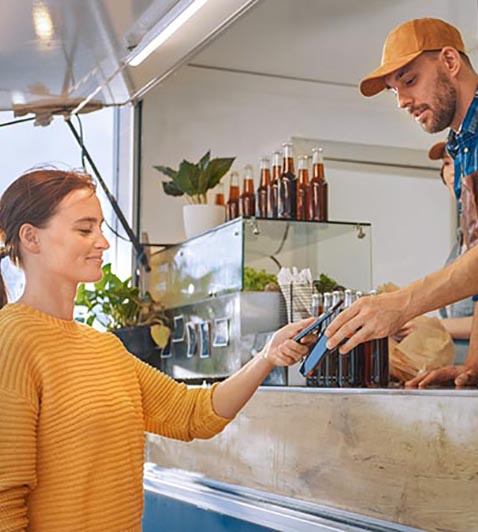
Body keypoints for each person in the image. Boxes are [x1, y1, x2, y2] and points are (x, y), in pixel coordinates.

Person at [0, 169, 315, 531]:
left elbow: (193, 414)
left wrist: (267, 356)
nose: (102, 242)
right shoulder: (12, 342)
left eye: (101, 228)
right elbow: (4, 503)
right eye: (85, 229)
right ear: (31, 238)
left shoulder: (105, 348)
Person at [326, 18, 478, 387]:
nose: (403, 101)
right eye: (395, 91)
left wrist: (403, 303)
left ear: (451, 62)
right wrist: (472, 367)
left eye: (409, 81)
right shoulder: (461, 145)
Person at [395, 141, 478, 388]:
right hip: (463, 367)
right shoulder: (461, 238)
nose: (452, 169)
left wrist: (430, 323)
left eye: (457, 160)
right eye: (446, 163)